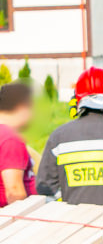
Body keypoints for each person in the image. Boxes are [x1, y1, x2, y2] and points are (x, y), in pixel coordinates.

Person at [36, 67, 103, 203]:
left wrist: (70, 202)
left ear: (77, 101)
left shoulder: (59, 138)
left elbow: (45, 188)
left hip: (75, 221)